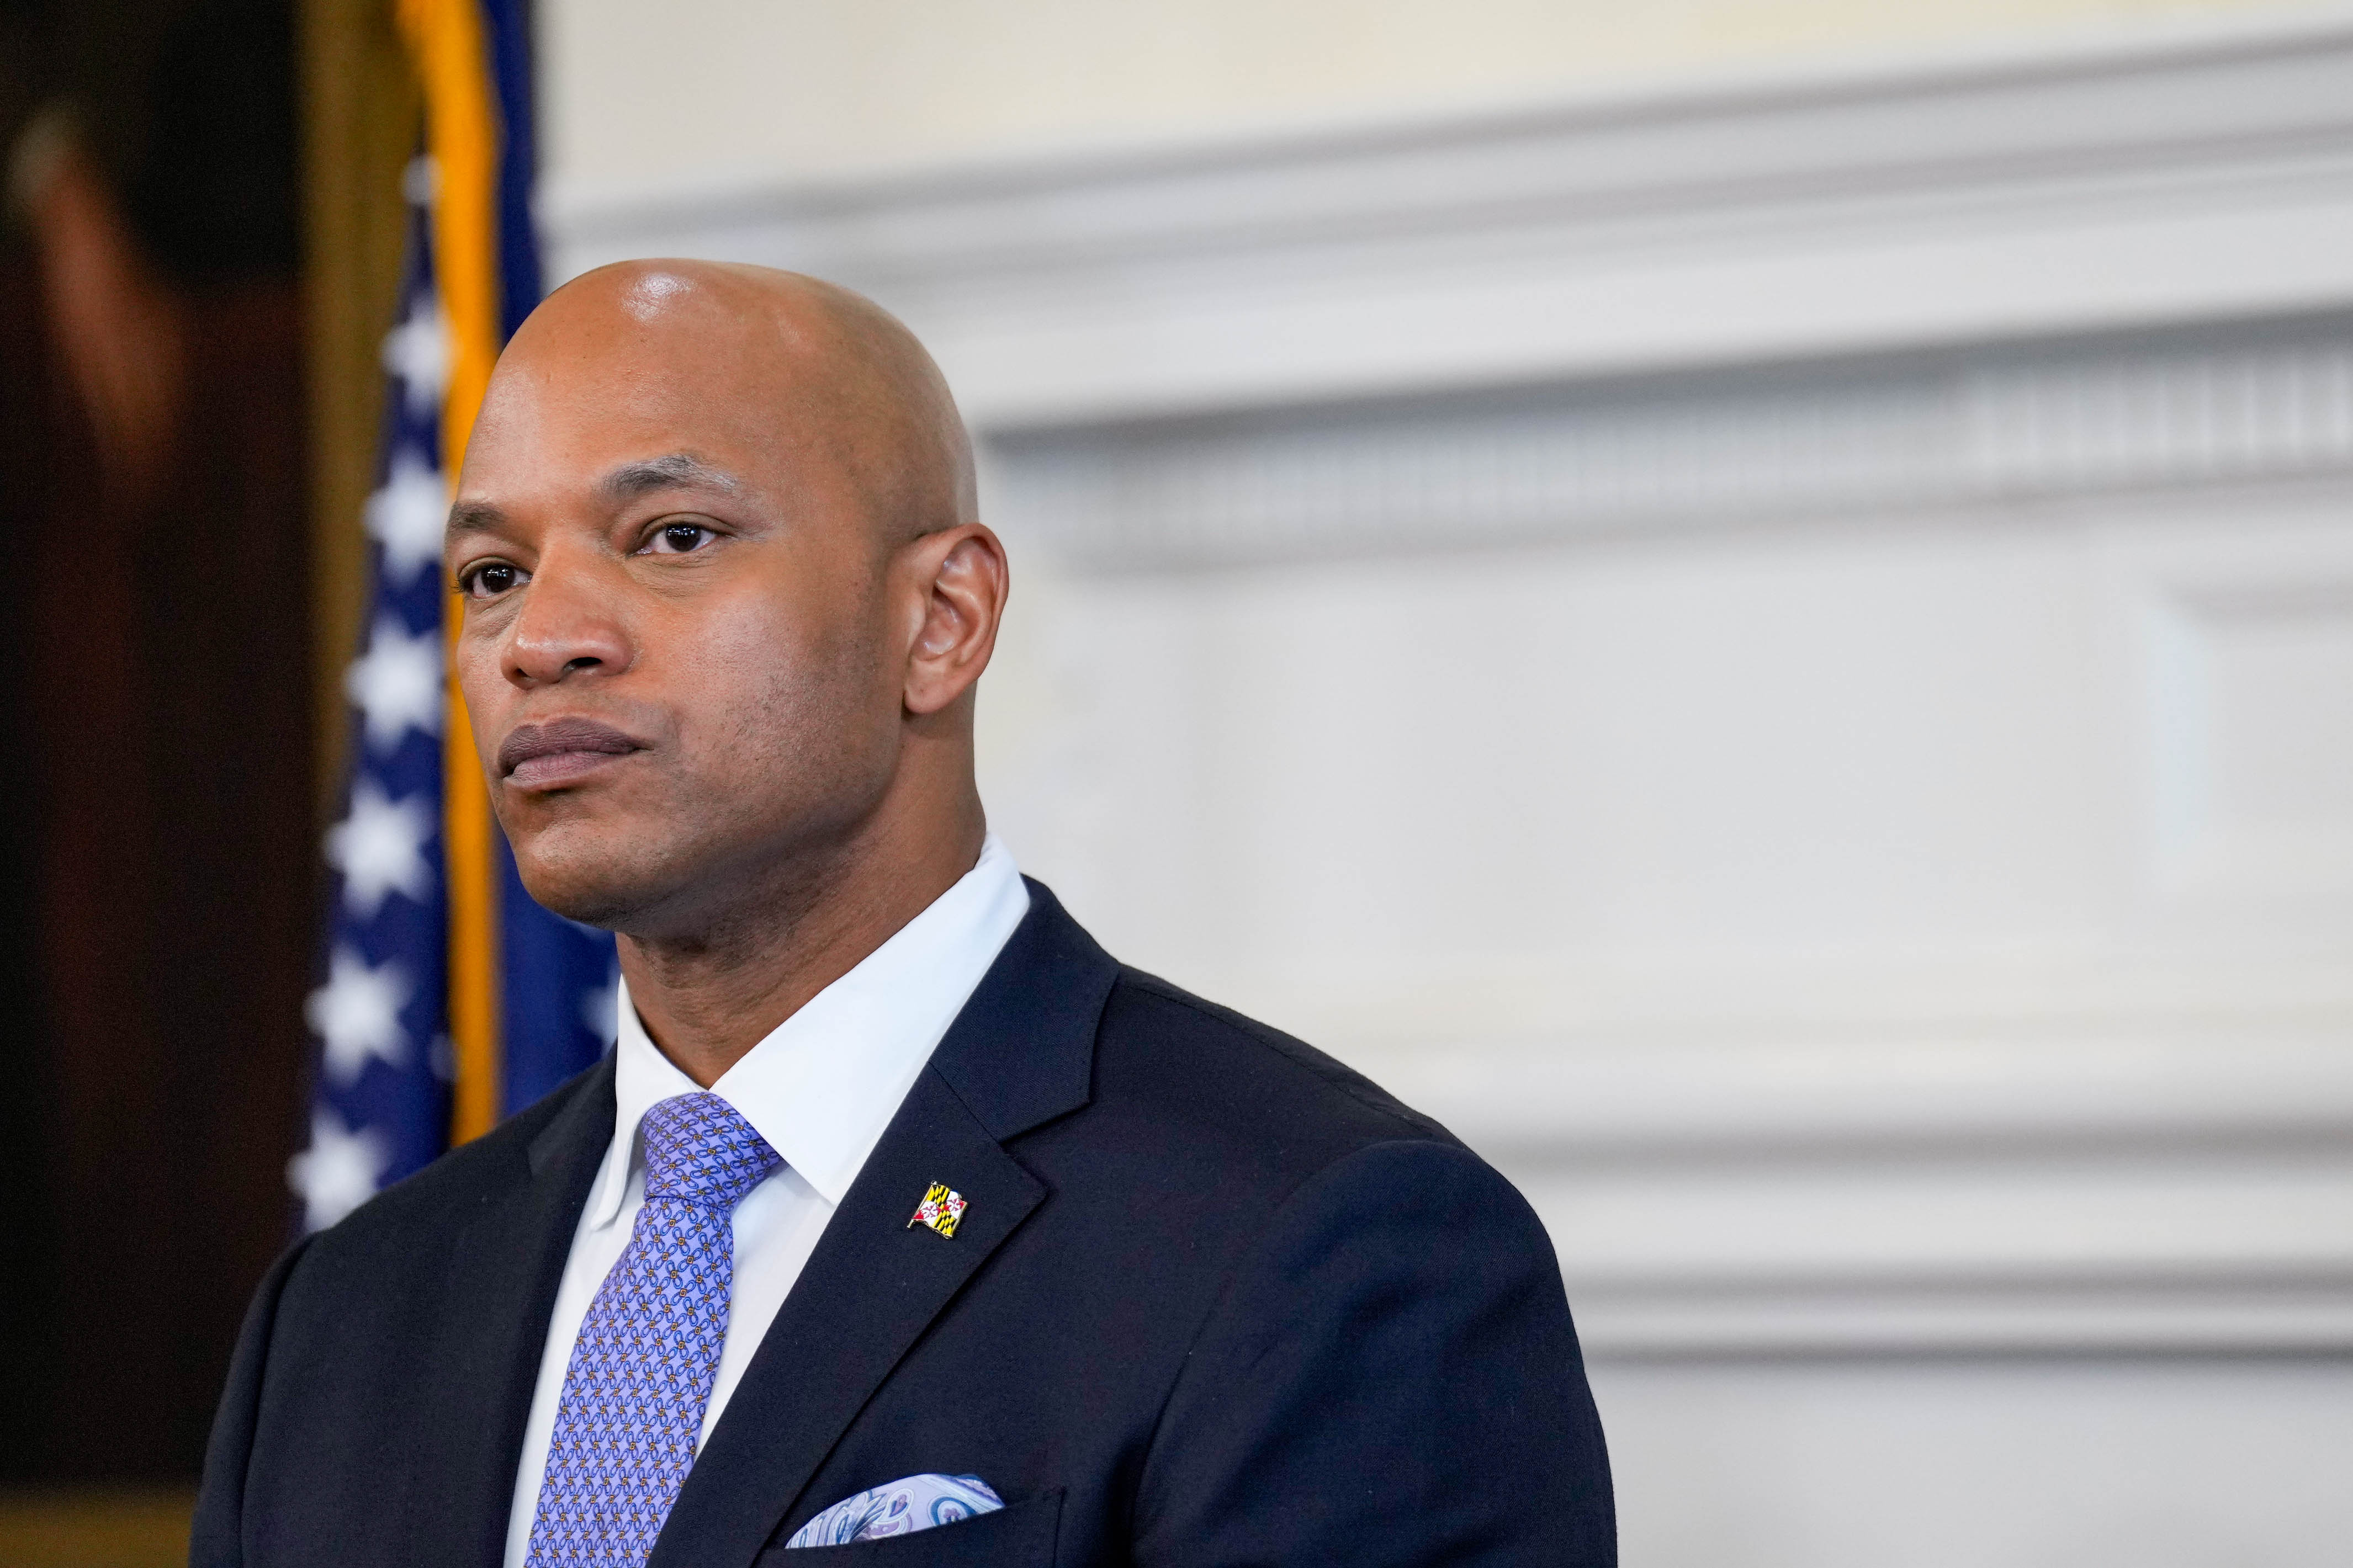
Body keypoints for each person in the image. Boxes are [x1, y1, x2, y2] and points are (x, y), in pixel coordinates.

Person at [191, 261, 1615, 1567]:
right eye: (493, 575)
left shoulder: (1319, 1251)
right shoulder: (346, 1313)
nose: (544, 637)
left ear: (942, 621)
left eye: (672, 536)